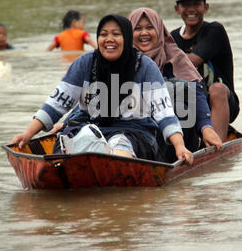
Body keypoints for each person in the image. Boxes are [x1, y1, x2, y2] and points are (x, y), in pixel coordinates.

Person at [12, 14, 193, 164]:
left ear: (127, 38)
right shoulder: (85, 63)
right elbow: (57, 103)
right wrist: (28, 133)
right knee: (76, 144)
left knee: (120, 151)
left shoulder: (145, 66)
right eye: (104, 34)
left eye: (116, 34)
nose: (109, 39)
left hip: (135, 132)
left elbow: (164, 111)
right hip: (90, 127)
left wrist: (179, 146)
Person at [128, 7, 222, 154]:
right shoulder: (123, 61)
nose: (144, 33)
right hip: (139, 132)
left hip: (179, 134)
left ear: (159, 30)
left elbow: (195, 90)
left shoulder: (174, 57)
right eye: (137, 28)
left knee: (178, 97)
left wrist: (206, 127)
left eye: (150, 27)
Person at [171, 0, 240, 144]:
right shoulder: (173, 38)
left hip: (223, 101)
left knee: (216, 89)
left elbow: (191, 62)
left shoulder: (214, 31)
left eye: (196, 4)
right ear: (177, 9)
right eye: (185, 5)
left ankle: (216, 145)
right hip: (192, 102)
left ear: (206, 7)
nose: (191, 9)